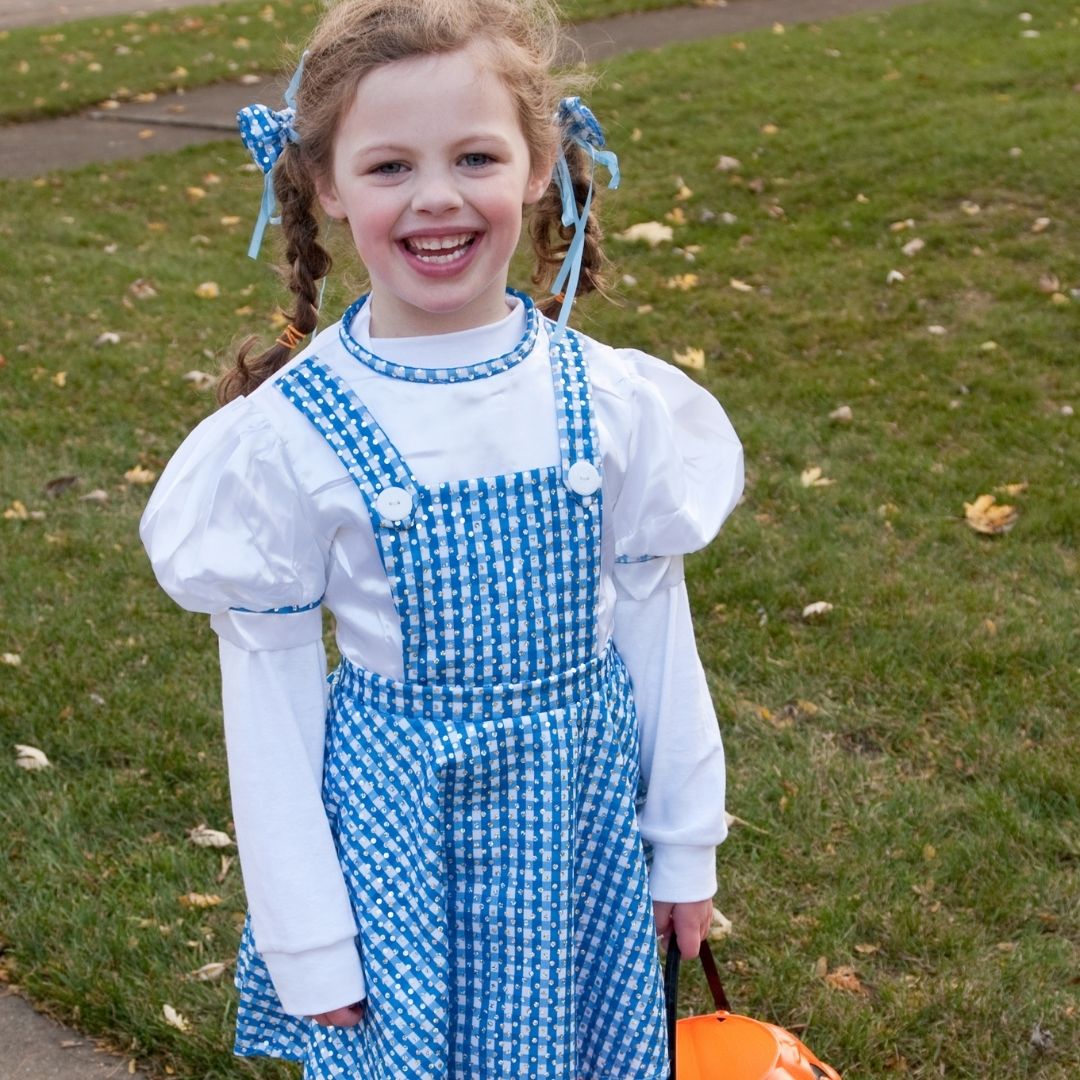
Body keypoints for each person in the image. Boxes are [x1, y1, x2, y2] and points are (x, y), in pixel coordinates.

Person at [140, 0, 743, 1076]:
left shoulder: (610, 403)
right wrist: (310, 948)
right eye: (387, 168)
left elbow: (656, 631)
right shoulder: (290, 436)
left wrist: (683, 847)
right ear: (324, 183)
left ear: (535, 163)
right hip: (400, 858)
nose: (435, 199)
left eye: (474, 156)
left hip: (579, 843)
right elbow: (271, 711)